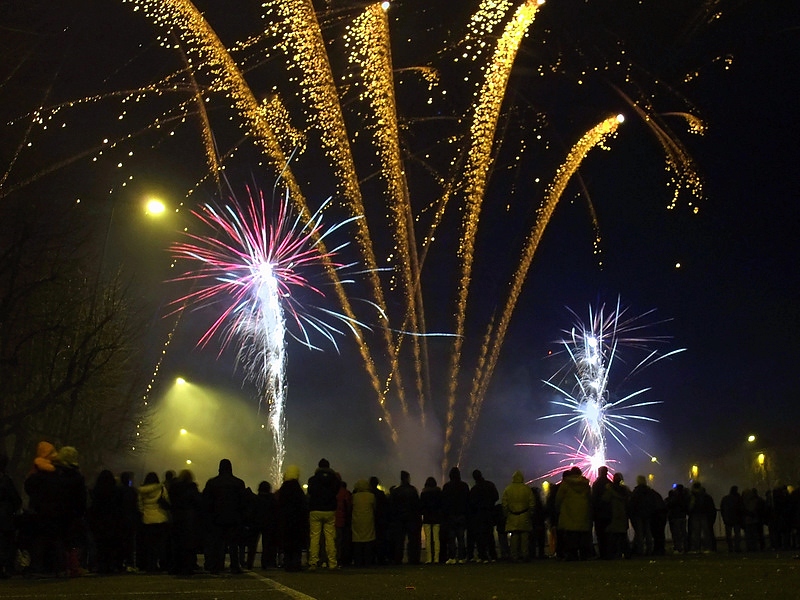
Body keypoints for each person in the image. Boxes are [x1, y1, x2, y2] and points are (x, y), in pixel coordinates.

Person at [24, 441, 65, 576]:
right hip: (55, 512)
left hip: (38, 512)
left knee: (38, 541)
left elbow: (28, 488)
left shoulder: (35, 475)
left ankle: (38, 567)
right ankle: (57, 567)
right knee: (56, 540)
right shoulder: (57, 473)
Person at [202, 458, 247, 574]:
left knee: (218, 543)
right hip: (234, 517)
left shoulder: (212, 483)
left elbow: (206, 502)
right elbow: (243, 502)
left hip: (217, 518)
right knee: (233, 544)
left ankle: (218, 565)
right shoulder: (238, 483)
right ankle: (235, 566)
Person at [86, 469, 123, 574]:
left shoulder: (96, 492)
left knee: (101, 545)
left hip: (99, 522)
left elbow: (93, 508)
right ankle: (112, 565)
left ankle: (102, 566)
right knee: (112, 545)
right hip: (113, 521)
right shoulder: (116, 491)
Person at [306, 458, 340, 570]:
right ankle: (332, 563)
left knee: (314, 537)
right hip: (330, 510)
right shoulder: (334, 479)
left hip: (315, 509)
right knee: (330, 537)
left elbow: (310, 492)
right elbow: (336, 491)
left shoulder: (312, 479)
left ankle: (313, 562)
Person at [168, 469, 203, 575]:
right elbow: (198, 501)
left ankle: (176, 566)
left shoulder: (174, 487)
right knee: (188, 544)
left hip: (176, 517)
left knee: (177, 543)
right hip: (189, 518)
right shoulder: (191, 486)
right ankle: (188, 566)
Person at [137, 471, 171, 572]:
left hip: (147, 519)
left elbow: (139, 505)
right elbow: (167, 500)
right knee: (160, 544)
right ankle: (162, 564)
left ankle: (150, 565)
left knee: (149, 545)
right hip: (160, 517)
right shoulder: (161, 488)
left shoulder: (141, 491)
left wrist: (144, 512)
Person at [276, 465, 307, 572]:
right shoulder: (298, 489)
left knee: (287, 542)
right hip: (297, 520)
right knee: (296, 543)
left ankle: (287, 563)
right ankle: (296, 563)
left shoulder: (283, 489)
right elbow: (303, 505)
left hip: (285, 520)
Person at [502, 470, 535, 562]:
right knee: (524, 537)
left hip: (512, 515)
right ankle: (525, 555)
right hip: (524, 515)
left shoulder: (508, 489)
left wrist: (506, 514)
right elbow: (532, 503)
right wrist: (530, 513)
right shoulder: (527, 489)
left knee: (514, 537)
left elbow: (504, 504)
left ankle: (514, 556)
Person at [390, 470, 421, 564]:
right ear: (408, 478)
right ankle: (413, 559)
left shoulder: (396, 491)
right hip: (412, 518)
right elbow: (417, 505)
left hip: (399, 519)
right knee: (413, 540)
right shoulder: (412, 490)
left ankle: (398, 559)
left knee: (399, 540)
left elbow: (393, 506)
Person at [468, 469, 499, 562]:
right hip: (489, 513)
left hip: (479, 515)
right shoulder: (490, 485)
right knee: (490, 535)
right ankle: (493, 555)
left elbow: (471, 503)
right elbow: (496, 497)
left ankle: (483, 555)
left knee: (481, 536)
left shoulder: (474, 489)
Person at [0, 453, 22, 578]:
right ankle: (8, 568)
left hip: (5, 517)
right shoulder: (6, 481)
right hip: (5, 518)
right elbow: (16, 499)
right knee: (7, 544)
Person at [442, 466, 470, 564]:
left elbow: (444, 502)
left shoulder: (446, 487)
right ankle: (462, 557)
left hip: (450, 516)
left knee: (451, 538)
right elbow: (468, 501)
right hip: (461, 515)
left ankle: (452, 557)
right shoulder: (464, 486)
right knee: (461, 538)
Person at [628, 475, 659, 556]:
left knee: (640, 533)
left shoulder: (636, 491)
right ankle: (649, 549)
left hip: (638, 514)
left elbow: (633, 504)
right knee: (648, 532)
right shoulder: (649, 491)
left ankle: (640, 550)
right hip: (648, 514)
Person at [602, 472, 631, 559]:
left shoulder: (610, 490)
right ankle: (626, 553)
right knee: (623, 536)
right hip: (623, 515)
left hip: (614, 515)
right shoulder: (625, 490)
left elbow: (604, 499)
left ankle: (614, 554)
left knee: (614, 537)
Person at [350, 478, 376, 566]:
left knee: (357, 541)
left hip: (356, 520)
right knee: (368, 540)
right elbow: (374, 507)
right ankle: (368, 561)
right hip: (368, 520)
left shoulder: (354, 496)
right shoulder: (371, 496)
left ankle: (358, 561)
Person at [419, 476, 443, 564]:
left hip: (427, 518)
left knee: (428, 539)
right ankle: (436, 558)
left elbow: (421, 506)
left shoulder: (424, 493)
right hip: (437, 518)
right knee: (436, 539)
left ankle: (429, 558)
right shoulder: (439, 493)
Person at [591, 466, 612, 559]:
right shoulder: (609, 483)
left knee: (600, 534)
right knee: (608, 534)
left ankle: (603, 554)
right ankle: (609, 553)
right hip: (608, 513)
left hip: (599, 513)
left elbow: (594, 499)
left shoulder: (596, 484)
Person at [720, 485, 744, 553]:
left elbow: (722, 509)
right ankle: (737, 547)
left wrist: (724, 517)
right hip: (737, 519)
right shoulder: (738, 498)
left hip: (728, 519)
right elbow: (741, 508)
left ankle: (730, 547)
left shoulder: (725, 499)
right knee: (737, 534)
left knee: (728, 535)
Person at [335, 479, 352, 567]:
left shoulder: (334, 492)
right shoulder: (346, 493)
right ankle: (341, 559)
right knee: (342, 541)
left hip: (335, 518)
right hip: (343, 520)